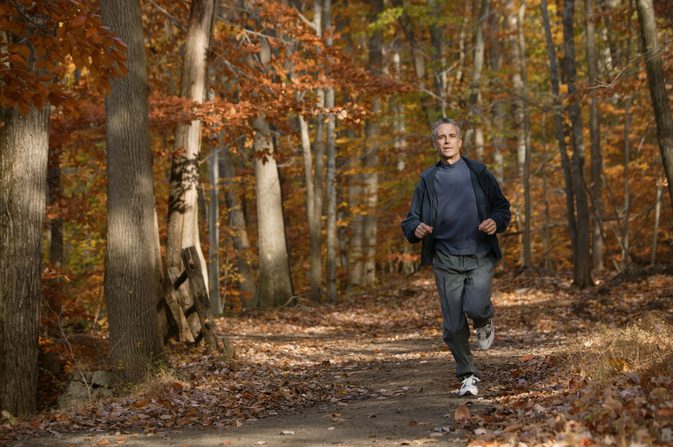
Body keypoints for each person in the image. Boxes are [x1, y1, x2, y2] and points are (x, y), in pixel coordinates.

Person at [401, 117, 510, 397]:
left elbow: (502, 207)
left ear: (460, 141)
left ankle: (484, 322)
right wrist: (418, 228)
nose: (447, 141)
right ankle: (468, 375)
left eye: (451, 136)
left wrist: (495, 222)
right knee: (452, 326)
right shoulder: (427, 180)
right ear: (435, 143)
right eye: (441, 137)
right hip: (445, 259)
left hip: (480, 255)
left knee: (475, 307)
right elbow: (410, 221)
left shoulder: (479, 173)